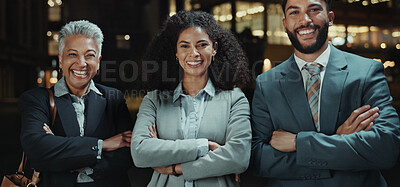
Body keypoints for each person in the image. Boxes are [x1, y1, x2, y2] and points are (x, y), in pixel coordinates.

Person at [250, 0, 400, 186]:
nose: (305, 20)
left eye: (314, 9)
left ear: (330, 17)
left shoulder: (367, 72)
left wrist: (298, 143)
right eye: (295, 12)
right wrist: (338, 142)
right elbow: (256, 158)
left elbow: (386, 148)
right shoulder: (267, 83)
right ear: (285, 24)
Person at [130, 10, 252, 187]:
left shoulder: (234, 99)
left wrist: (175, 167)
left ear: (214, 48)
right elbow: (140, 153)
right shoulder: (155, 99)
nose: (194, 53)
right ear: (176, 52)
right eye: (185, 46)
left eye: (202, 45)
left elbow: (239, 158)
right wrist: (205, 146)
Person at [19, 20, 133, 187]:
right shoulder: (37, 100)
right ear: (60, 60)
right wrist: (103, 145)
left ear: (99, 61)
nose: (81, 63)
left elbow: (127, 154)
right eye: (72, 54)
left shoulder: (113, 98)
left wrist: (61, 155)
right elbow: (37, 150)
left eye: (89, 55)